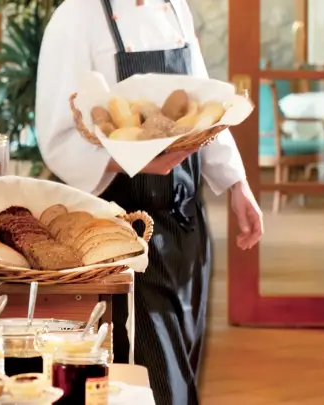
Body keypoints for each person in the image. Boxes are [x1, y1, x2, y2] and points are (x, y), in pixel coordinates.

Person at [35, 1, 264, 404]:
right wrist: (132, 158)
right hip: (125, 229)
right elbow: (57, 139)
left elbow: (201, 107)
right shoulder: (77, 17)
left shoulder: (175, 7)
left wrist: (236, 182)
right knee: (156, 380)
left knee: (184, 368)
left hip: (186, 225)